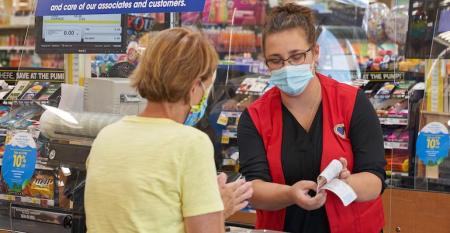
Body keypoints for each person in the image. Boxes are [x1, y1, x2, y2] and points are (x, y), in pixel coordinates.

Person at [85, 27, 252, 233]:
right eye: (205, 88)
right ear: (193, 87)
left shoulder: (106, 136)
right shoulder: (191, 144)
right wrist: (220, 210)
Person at [237, 4, 386, 233]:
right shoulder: (255, 117)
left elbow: (375, 180)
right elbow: (254, 190)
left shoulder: (352, 103)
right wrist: (290, 194)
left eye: (296, 56)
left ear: (315, 52)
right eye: (276, 60)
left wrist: (345, 183)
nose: (287, 67)